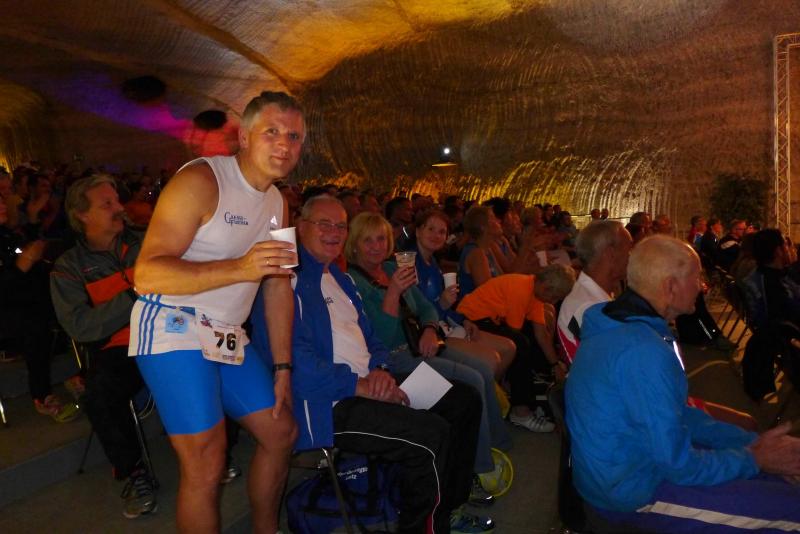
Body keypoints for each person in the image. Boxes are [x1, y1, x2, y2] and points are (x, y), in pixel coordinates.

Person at [251, 195, 489, 533]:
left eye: (340, 226)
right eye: (324, 224)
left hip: (370, 383)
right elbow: (296, 362)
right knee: (429, 434)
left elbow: (373, 340)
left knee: (463, 400)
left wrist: (380, 371)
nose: (334, 232)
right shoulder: (284, 282)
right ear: (300, 227)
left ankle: (448, 506)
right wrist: (361, 385)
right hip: (329, 404)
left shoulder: (341, 280)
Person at [129, 91, 300, 533]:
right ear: (244, 137)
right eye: (272, 131)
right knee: (206, 462)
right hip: (172, 325)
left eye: (295, 136)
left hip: (226, 333)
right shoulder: (202, 180)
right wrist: (240, 268)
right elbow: (146, 274)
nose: (285, 144)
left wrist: (283, 366)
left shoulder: (278, 202)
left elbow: (278, 285)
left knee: (280, 433)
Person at [566, 235, 800, 532]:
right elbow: (679, 466)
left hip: (628, 468)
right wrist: (755, 459)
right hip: (632, 493)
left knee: (775, 479)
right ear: (670, 286)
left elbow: (679, 415)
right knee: (792, 511)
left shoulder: (624, 326)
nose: (702, 285)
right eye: (696, 276)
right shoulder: (643, 350)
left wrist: (753, 444)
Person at [345, 211, 512, 483]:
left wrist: (430, 330)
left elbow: (425, 308)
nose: (376, 246)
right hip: (393, 358)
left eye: (381, 239)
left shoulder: (392, 269)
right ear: (354, 244)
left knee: (482, 368)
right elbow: (381, 339)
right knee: (471, 380)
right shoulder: (354, 282)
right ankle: (480, 467)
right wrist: (393, 292)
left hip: (418, 344)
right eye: (367, 240)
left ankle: (496, 443)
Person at [49, 174, 155, 517]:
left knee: (220, 352)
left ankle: (218, 453)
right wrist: (133, 295)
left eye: (117, 200)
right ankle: (131, 471)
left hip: (171, 332)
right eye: (107, 203)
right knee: (99, 390)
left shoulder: (147, 240)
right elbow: (80, 326)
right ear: (82, 214)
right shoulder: (69, 267)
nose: (119, 207)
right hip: (121, 347)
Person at [457, 267, 576, 431]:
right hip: (471, 320)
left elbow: (541, 335)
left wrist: (555, 364)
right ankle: (521, 410)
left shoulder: (534, 291)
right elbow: (515, 332)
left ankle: (533, 388)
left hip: (489, 320)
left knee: (531, 336)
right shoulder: (521, 289)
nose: (553, 302)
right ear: (546, 288)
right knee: (521, 344)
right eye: (554, 297)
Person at [413, 209, 516, 380]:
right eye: (430, 229)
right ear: (417, 231)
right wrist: (442, 305)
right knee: (491, 359)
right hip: (432, 333)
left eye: (442, 232)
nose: (436, 235)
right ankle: (486, 388)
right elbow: (417, 311)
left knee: (509, 348)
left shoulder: (432, 263)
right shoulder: (410, 265)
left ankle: (491, 388)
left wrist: (463, 320)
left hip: (449, 323)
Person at [556, 220, 632, 362]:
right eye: (628, 250)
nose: (631, 257)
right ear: (611, 254)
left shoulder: (593, 298)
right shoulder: (588, 308)